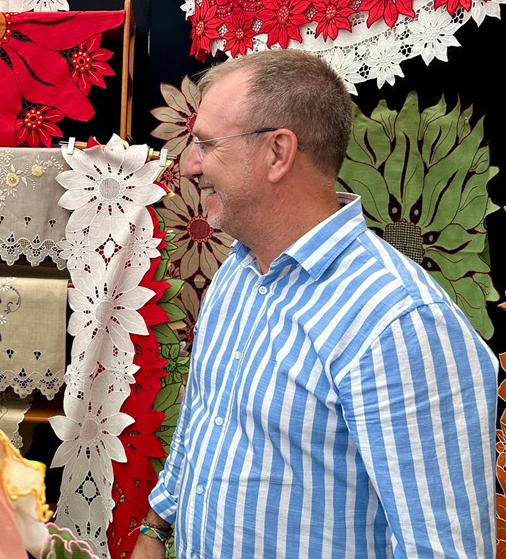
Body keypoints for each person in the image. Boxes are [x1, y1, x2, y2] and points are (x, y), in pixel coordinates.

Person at [131, 50, 497, 558]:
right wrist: (155, 529)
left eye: (206, 144)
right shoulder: (239, 271)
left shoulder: (398, 323)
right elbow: (205, 422)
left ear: (278, 152)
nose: (189, 165)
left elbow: (441, 548)